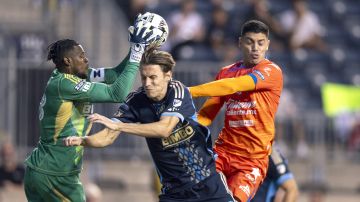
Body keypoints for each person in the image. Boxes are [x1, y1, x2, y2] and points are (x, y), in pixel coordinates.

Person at [64, 48, 235, 202]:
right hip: (174, 193)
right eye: (143, 77)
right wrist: (83, 140)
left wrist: (120, 127)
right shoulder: (136, 101)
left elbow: (164, 128)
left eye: (153, 77)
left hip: (208, 185)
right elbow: (107, 137)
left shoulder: (178, 91)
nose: (147, 83)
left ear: (168, 75)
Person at [23, 19, 157, 201]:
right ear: (67, 61)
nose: (86, 59)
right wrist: (136, 53)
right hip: (56, 173)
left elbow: (115, 75)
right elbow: (117, 93)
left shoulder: (72, 76)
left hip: (42, 170)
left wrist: (135, 51)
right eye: (81, 56)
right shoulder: (66, 84)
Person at [188, 20, 283, 201]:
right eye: (250, 41)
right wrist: (187, 130)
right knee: (198, 192)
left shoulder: (272, 71)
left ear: (267, 45)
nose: (255, 48)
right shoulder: (226, 72)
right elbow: (208, 114)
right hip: (223, 152)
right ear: (240, 42)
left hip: (252, 159)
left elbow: (233, 86)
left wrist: (189, 91)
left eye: (260, 42)